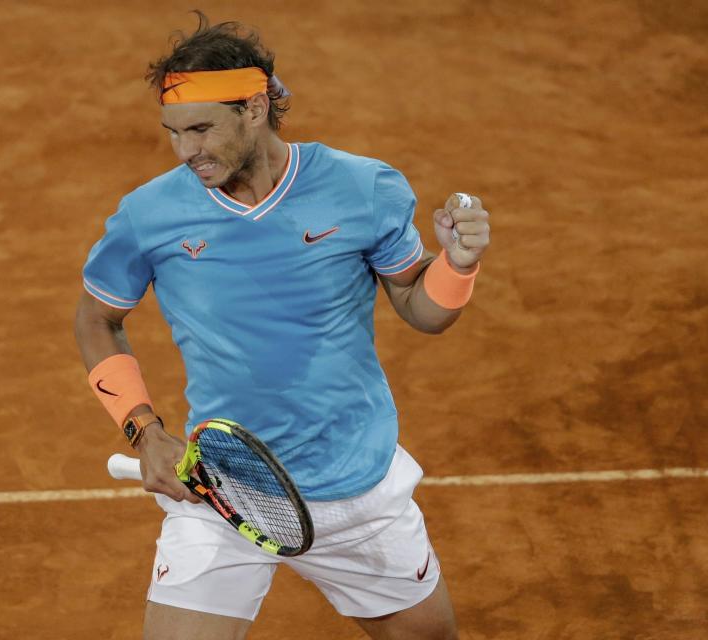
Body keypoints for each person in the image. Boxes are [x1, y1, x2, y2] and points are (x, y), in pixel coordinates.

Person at [75, 12, 490, 640]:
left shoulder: (363, 188)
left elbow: (419, 307)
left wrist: (458, 265)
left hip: (358, 492)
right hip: (220, 489)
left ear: (256, 107)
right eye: (173, 133)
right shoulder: (147, 215)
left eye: (201, 129)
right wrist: (144, 430)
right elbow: (97, 320)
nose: (187, 151)